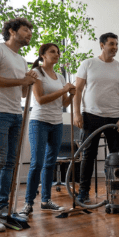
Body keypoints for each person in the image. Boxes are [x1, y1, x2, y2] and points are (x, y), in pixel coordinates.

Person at [0, 17, 39, 233]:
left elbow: (23, 92)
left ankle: (3, 210)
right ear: (12, 31)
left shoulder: (21, 60)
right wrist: (22, 81)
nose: (29, 34)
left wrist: (29, 79)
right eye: (25, 30)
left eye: (30, 31)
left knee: (10, 164)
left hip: (16, 113)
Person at [71, 32, 119, 204]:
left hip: (114, 118)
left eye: (116, 44)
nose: (115, 47)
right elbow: (78, 90)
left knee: (117, 156)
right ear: (102, 45)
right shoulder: (88, 64)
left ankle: (116, 190)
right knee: (88, 155)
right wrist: (77, 113)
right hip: (91, 116)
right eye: (111, 44)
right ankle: (83, 192)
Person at [23, 42, 76, 214]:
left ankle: (46, 200)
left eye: (58, 52)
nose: (57, 54)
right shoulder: (37, 73)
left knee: (50, 163)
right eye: (52, 52)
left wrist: (71, 95)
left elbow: (62, 104)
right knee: (37, 163)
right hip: (39, 122)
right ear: (43, 55)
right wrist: (64, 91)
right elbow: (40, 99)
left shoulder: (60, 77)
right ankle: (28, 203)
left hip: (57, 123)